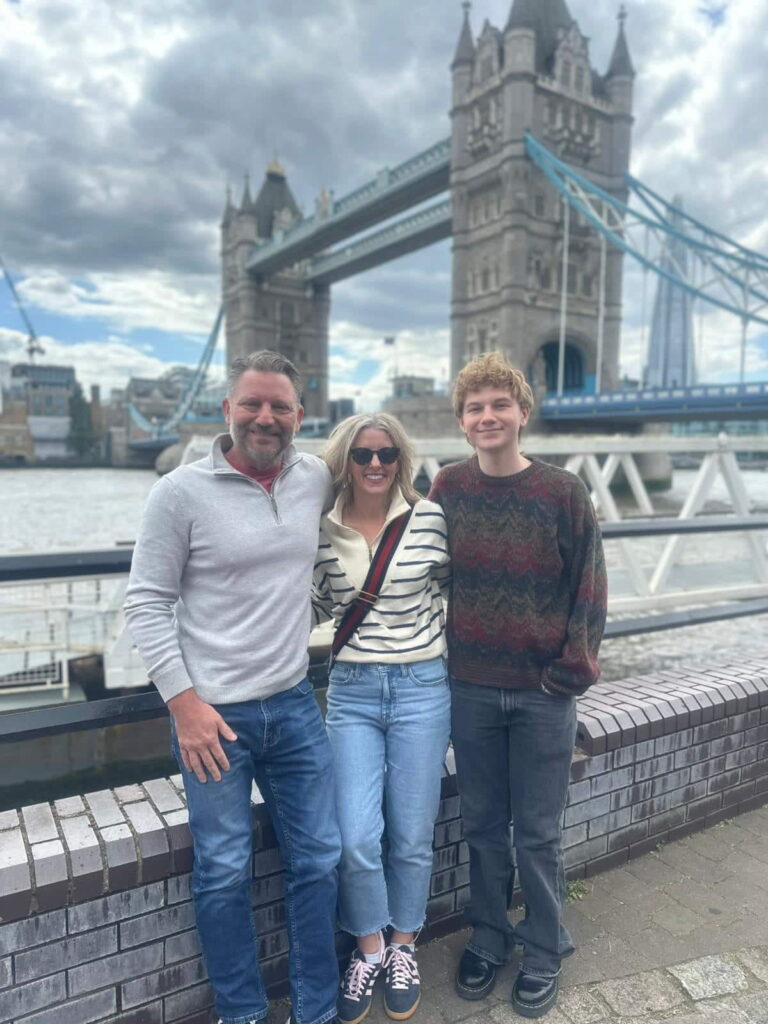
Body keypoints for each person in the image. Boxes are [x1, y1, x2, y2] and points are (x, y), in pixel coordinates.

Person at [124, 350, 341, 1024]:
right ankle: (241, 1012)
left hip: (295, 702)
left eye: (280, 406)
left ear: (300, 417)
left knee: (320, 860)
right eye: (252, 403)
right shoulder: (179, 492)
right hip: (212, 716)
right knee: (222, 869)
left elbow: (380, 494)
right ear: (227, 410)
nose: (265, 417)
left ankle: (317, 1010)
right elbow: (145, 603)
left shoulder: (314, 478)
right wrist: (183, 704)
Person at [428, 351, 607, 1019]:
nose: (488, 416)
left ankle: (542, 946)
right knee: (480, 826)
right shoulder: (446, 488)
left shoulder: (563, 492)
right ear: (463, 421)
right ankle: (489, 935)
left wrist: (572, 669)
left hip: (542, 693)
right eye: (475, 407)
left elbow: (590, 585)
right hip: (469, 688)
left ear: (522, 415)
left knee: (537, 833)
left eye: (500, 404)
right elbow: (420, 574)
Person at [312, 413, 451, 1024]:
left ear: (402, 459)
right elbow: (307, 603)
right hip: (353, 692)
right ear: (344, 460)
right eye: (363, 454)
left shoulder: (430, 520)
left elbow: (456, 591)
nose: (375, 464)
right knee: (355, 835)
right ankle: (367, 946)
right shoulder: (319, 530)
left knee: (413, 833)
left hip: (424, 686)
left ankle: (403, 946)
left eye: (387, 453)